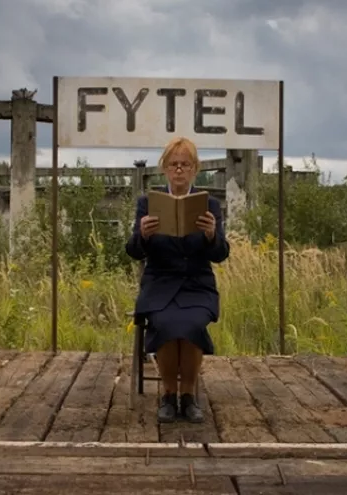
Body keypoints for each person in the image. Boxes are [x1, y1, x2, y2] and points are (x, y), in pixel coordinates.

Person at [125, 136, 230, 424]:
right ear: (165, 168)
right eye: (174, 164)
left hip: (197, 284)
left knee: (192, 323)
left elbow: (221, 254)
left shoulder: (209, 204)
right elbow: (133, 251)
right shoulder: (148, 203)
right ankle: (169, 396)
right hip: (160, 283)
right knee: (166, 323)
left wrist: (211, 235)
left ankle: (188, 396)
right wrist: (143, 235)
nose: (179, 170)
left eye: (185, 164)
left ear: (195, 168)